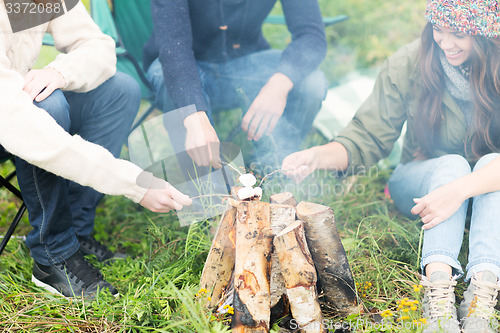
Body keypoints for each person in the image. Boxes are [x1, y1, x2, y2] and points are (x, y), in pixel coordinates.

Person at [281, 0, 500, 332]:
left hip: (484, 189)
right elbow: (368, 135)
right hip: (420, 180)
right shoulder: (410, 62)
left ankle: (480, 303)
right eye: (437, 30)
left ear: (485, 35)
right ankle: (438, 297)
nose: (445, 43)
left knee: (491, 165)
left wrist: (459, 190)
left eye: (458, 34)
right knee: (453, 164)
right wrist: (319, 156)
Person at [0, 0, 191, 298]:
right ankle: (54, 253)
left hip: (15, 107)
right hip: (11, 120)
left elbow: (98, 45)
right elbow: (25, 127)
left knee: (121, 91)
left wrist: (59, 71)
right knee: (46, 105)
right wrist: (136, 184)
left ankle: (75, 228)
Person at [143, 0, 328, 170]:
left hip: (246, 63)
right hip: (184, 62)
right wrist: (193, 113)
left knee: (312, 83)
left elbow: (312, 35)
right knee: (170, 84)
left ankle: (274, 168)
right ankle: (207, 193)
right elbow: (174, 49)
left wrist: (279, 83)